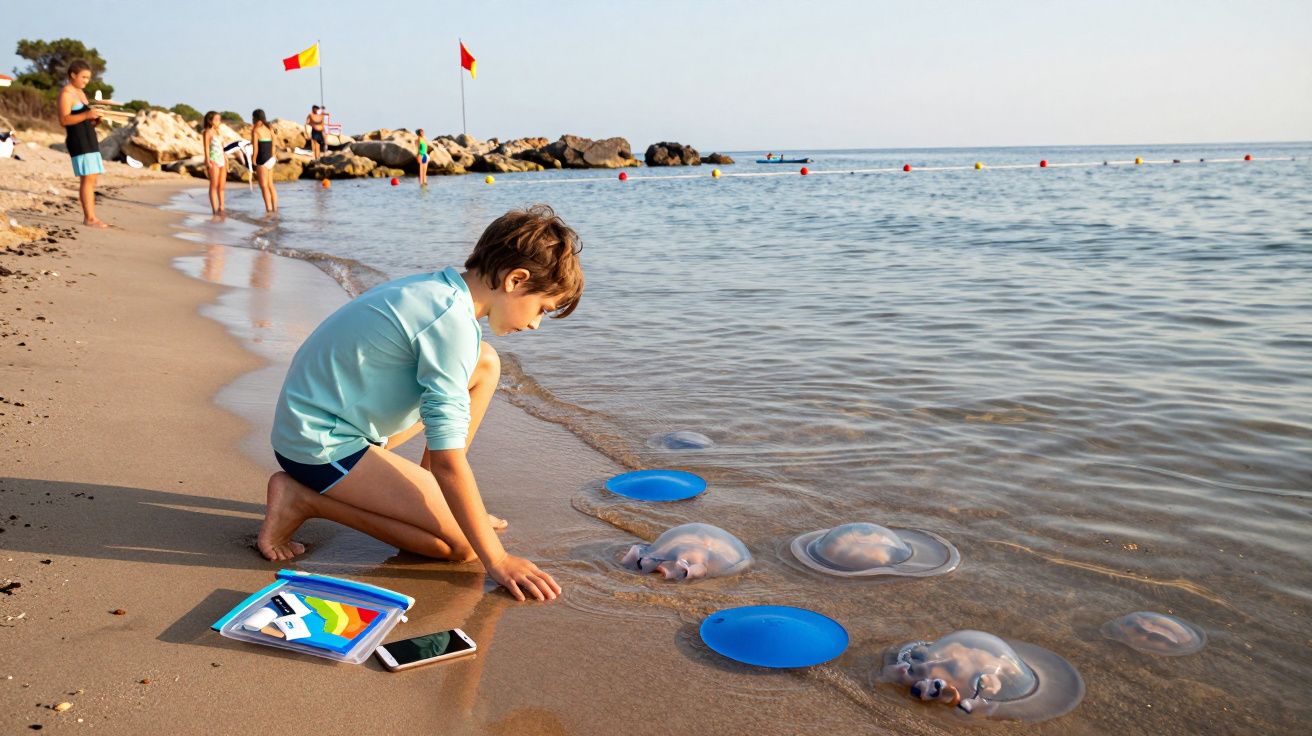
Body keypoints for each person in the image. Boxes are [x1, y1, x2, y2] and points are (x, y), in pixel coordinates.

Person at [257, 204, 584, 602]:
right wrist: (497, 560)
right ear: (516, 279)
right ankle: (303, 499)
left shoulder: (440, 290)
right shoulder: (451, 324)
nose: (534, 324)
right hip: (318, 443)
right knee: (462, 548)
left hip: (337, 419)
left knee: (485, 364)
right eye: (542, 309)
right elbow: (449, 462)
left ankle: (430, 499)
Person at [57, 60, 107, 228]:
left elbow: (85, 121)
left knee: (92, 178)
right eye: (83, 77)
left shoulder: (81, 93)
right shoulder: (66, 94)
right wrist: (87, 116)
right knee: (87, 179)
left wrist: (95, 120)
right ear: (73, 75)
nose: (86, 81)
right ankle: (89, 218)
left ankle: (91, 216)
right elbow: (64, 120)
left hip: (89, 138)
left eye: (88, 78)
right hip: (78, 141)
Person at [250, 109, 278, 213]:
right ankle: (275, 209)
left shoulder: (256, 130)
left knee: (264, 186)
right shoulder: (269, 128)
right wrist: (274, 156)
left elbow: (256, 148)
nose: (252, 120)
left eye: (253, 118)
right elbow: (274, 144)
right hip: (271, 159)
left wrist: (253, 161)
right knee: (271, 185)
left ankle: (268, 210)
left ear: (256, 118)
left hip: (262, 160)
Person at [201, 111, 227, 215]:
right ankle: (215, 210)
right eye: (216, 119)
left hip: (222, 161)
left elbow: (222, 147)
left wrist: (226, 160)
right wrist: (207, 160)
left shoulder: (219, 132)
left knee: (221, 187)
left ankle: (222, 207)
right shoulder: (207, 132)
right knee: (214, 185)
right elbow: (206, 147)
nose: (218, 121)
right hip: (213, 160)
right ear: (210, 121)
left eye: (219, 119)